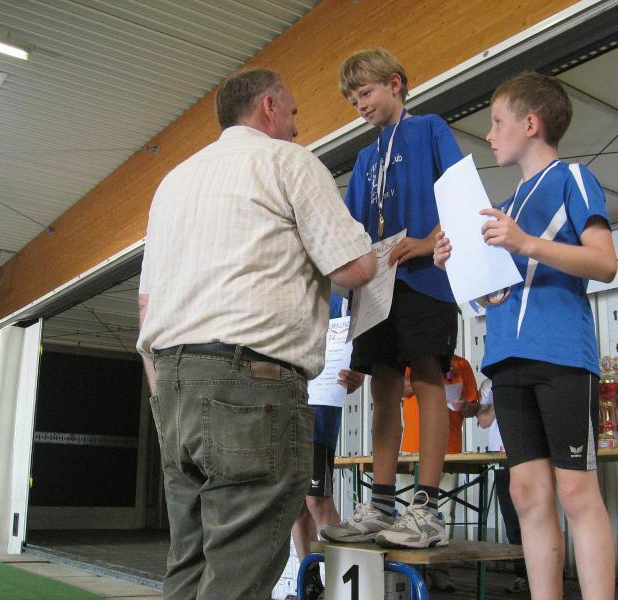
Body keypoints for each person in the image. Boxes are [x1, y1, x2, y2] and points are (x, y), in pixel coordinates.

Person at [137, 68, 376, 600]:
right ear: (269, 106)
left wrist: (165, 389)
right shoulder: (288, 161)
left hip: (172, 385)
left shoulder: (173, 182)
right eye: (292, 112)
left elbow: (146, 304)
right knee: (238, 571)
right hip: (250, 385)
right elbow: (355, 266)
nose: (296, 126)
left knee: (190, 561)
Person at [434, 71, 617, 600]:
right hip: (506, 360)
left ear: (531, 124)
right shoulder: (506, 207)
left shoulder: (573, 177)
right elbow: (493, 296)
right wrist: (455, 265)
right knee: (527, 492)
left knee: (576, 491)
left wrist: (526, 243)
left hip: (562, 356)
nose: (490, 135)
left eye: (497, 122)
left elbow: (604, 263)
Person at [321, 47, 464, 550]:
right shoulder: (364, 159)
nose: (360, 105)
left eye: (366, 93)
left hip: (425, 280)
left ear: (396, 83)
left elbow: (462, 199)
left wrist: (425, 243)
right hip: (376, 289)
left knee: (426, 380)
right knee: (383, 388)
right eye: (353, 100)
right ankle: (380, 504)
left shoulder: (430, 130)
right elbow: (349, 232)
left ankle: (426, 508)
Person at [290, 294, 365, 600]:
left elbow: (353, 356)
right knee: (296, 504)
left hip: (318, 412)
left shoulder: (336, 303)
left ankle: (344, 589)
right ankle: (311, 586)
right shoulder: (279, 296)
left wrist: (357, 374)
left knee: (317, 500)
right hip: (284, 408)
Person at [399, 354, 478, 591]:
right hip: (412, 450)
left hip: (450, 451)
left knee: (444, 513)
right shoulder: (410, 363)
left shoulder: (461, 365)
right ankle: (409, 569)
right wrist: (430, 380)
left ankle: (440, 570)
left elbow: (473, 405)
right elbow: (398, 389)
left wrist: (466, 407)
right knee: (407, 510)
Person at [476, 378, 529, 593]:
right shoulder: (489, 385)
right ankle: (522, 574)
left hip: (527, 453)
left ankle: (551, 574)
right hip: (500, 455)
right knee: (512, 521)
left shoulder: (525, 375)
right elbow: (484, 421)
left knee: (537, 515)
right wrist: (499, 394)